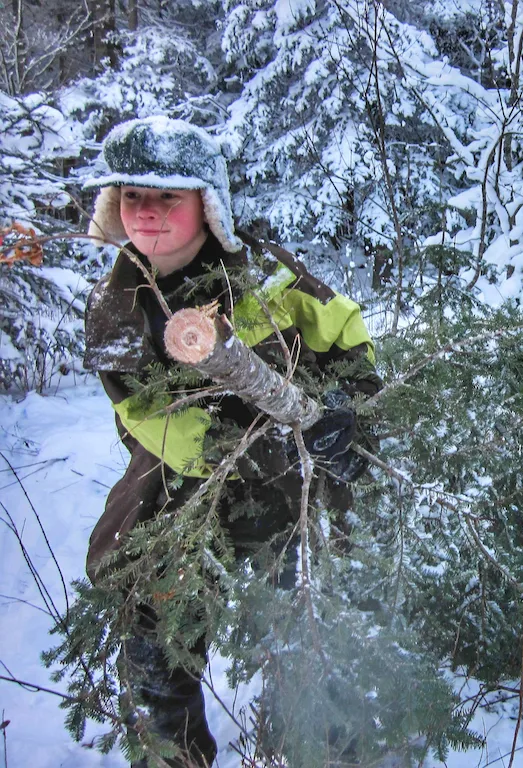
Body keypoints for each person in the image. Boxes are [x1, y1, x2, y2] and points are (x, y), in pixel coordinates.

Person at [82, 116, 381, 767]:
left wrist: (343, 409)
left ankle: (314, 737)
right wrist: (281, 433)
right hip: (179, 489)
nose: (149, 214)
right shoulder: (115, 312)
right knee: (147, 607)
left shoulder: (262, 274)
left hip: (285, 487)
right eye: (134, 197)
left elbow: (341, 327)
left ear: (207, 205)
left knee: (301, 613)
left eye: (169, 198)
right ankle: (172, 748)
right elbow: (171, 433)